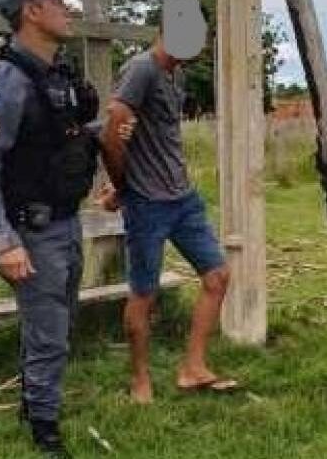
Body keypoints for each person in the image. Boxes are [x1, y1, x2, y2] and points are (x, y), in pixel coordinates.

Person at [0, 0, 99, 458]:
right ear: (32, 12)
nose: (68, 8)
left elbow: (61, 140)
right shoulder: (6, 81)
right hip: (31, 231)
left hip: (65, 221)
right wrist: (3, 241)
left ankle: (32, 402)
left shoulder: (56, 73)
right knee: (49, 336)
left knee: (59, 324)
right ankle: (45, 431)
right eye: (56, 1)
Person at [97, 24, 235, 405]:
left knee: (218, 276)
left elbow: (154, 136)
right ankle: (140, 379)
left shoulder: (178, 73)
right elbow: (112, 133)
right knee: (144, 294)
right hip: (147, 205)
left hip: (183, 198)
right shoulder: (141, 69)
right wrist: (123, 188)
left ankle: (193, 366)